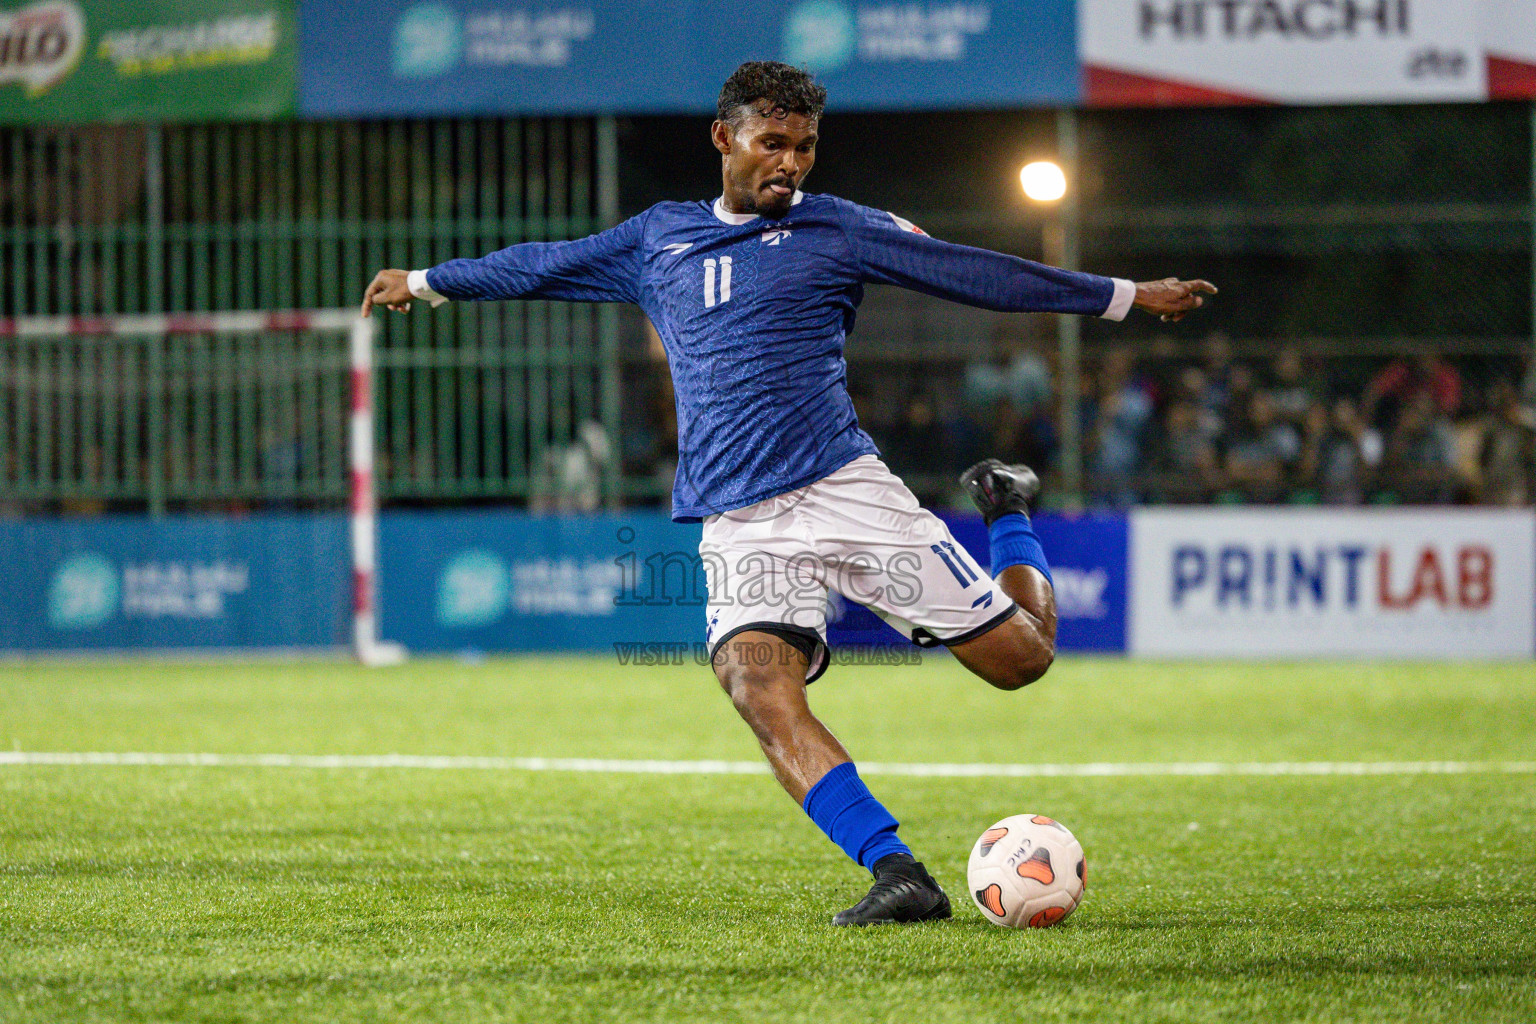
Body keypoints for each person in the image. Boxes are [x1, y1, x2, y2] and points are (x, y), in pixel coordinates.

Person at [361, 62, 1215, 926]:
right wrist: (430, 281)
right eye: (774, 143)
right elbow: (543, 264)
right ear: (723, 137)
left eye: (804, 147)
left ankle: (1008, 511)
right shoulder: (659, 238)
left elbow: (969, 271)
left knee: (1022, 661)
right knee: (755, 685)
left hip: (845, 489)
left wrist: (1124, 296)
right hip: (740, 520)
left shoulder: (841, 229)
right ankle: (898, 872)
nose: (791, 163)